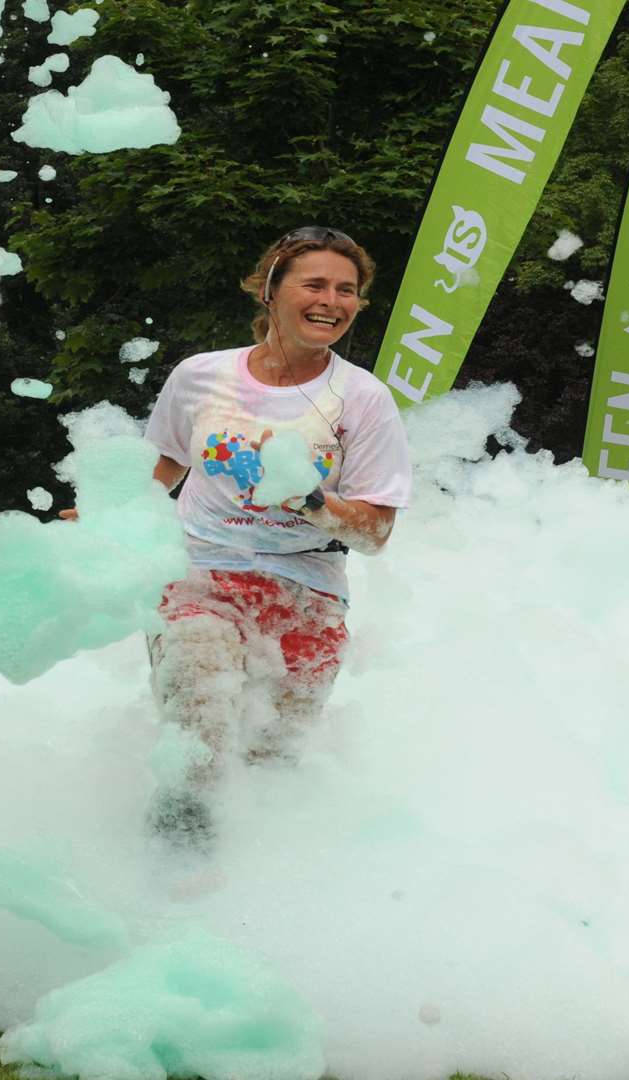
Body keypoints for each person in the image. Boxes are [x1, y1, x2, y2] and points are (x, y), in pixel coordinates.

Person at [139, 226, 413, 856]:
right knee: (200, 724)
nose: (332, 300)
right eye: (314, 283)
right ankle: (167, 877)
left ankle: (249, 902)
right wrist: (110, 518)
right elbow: (164, 465)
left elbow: (374, 533)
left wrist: (308, 498)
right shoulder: (199, 376)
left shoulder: (363, 399)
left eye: (348, 290)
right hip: (201, 574)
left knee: (270, 763)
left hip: (307, 590)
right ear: (270, 289)